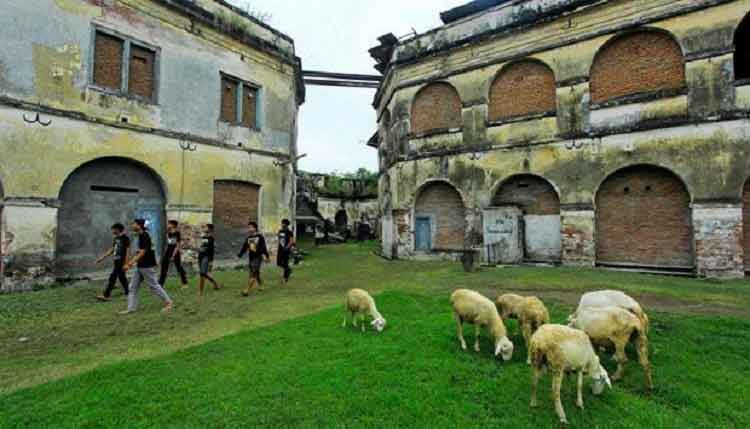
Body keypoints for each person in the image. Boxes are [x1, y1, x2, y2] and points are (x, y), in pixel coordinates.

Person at [120, 219, 173, 314]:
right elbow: (144, 250)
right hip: (140, 265)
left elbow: (143, 252)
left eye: (134, 224)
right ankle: (131, 308)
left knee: (154, 286)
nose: (132, 225)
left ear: (140, 225)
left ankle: (168, 303)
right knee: (132, 287)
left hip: (146, 265)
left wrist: (130, 264)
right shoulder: (142, 235)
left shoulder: (144, 235)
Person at [95, 223, 130, 302]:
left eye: (113, 229)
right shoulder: (116, 238)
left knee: (113, 277)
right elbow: (112, 249)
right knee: (122, 278)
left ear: (117, 229)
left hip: (121, 261)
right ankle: (128, 293)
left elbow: (128, 251)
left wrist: (127, 263)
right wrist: (102, 258)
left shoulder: (125, 238)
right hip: (116, 260)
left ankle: (106, 295)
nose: (112, 231)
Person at [238, 221, 269, 297]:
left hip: (258, 257)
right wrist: (240, 254)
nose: (249, 229)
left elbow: (263, 247)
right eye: (248, 227)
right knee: (256, 273)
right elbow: (245, 247)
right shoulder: (248, 238)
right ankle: (261, 285)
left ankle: (247, 290)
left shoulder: (260, 237)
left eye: (250, 227)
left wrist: (266, 256)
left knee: (253, 273)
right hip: (251, 258)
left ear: (255, 228)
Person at [158, 220, 188, 289]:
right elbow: (169, 243)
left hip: (175, 252)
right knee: (164, 266)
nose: (168, 225)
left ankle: (184, 283)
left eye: (169, 224)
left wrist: (173, 255)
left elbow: (177, 245)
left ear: (173, 225)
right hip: (168, 251)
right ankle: (161, 284)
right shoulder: (168, 233)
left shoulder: (177, 233)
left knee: (179, 268)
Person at [197, 223, 221, 299]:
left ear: (210, 229)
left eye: (206, 227)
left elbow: (211, 251)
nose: (204, 228)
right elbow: (202, 247)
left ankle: (200, 292)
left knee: (202, 273)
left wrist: (211, 261)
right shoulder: (203, 237)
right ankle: (216, 284)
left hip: (206, 257)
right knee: (204, 273)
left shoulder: (211, 238)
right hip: (200, 256)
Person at [276, 219, 295, 284]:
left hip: (286, 250)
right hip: (280, 249)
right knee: (278, 263)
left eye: (283, 223)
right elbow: (279, 238)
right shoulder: (280, 231)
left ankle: (285, 278)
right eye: (282, 223)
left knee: (285, 263)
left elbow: (291, 241)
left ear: (286, 225)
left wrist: (287, 247)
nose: (282, 224)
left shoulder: (289, 232)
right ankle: (288, 270)